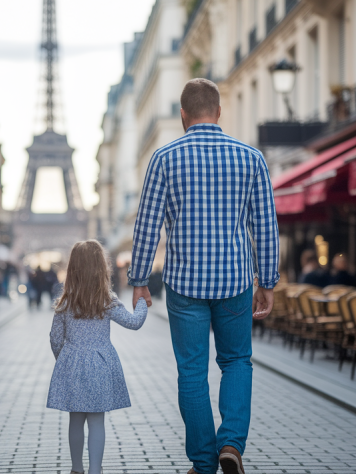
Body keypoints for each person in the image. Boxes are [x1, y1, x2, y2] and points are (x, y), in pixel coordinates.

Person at [128, 78, 279, 474]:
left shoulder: (164, 158)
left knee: (192, 372)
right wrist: (268, 281)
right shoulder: (251, 158)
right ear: (219, 111)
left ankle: (204, 461)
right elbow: (265, 226)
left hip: (184, 283)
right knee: (237, 361)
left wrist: (139, 279)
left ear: (183, 115)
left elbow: (147, 226)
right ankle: (231, 444)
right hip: (235, 281)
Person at [47, 240, 148, 474]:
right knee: (96, 421)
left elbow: (55, 338)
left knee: (75, 420)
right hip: (100, 366)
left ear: (72, 269)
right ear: (101, 268)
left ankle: (76, 468)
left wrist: (63, 359)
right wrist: (142, 301)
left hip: (72, 364)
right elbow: (134, 322)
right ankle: (95, 469)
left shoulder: (66, 301)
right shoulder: (106, 300)